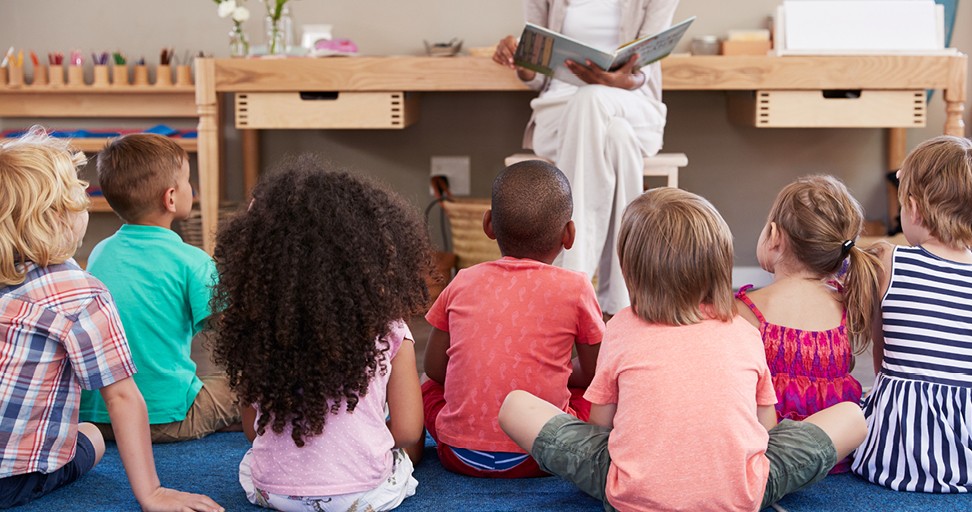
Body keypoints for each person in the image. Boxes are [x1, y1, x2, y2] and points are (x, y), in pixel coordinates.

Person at [499, 188, 868, 510]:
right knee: (852, 415)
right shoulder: (743, 330)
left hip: (630, 494)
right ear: (720, 268)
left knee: (515, 405)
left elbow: (601, 426)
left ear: (630, 272)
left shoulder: (622, 326)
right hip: (744, 494)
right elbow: (766, 430)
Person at [0, 129, 223, 510]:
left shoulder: (100, 254)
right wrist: (151, 493)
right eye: (80, 201)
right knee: (93, 439)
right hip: (12, 481)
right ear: (58, 217)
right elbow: (121, 396)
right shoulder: (80, 292)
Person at [211, 159, 427, 511]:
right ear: (366, 255)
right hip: (364, 496)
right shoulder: (389, 329)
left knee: (253, 460)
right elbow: (407, 432)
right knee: (403, 458)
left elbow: (253, 431)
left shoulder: (255, 329)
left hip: (273, 494)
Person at [852, 136, 972, 492]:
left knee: (863, 399)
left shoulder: (890, 262)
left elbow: (884, 361)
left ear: (913, 209)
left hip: (898, 454)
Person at [493, 0, 679, 317]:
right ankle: (623, 301)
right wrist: (519, 59)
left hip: (632, 104)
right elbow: (536, 75)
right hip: (559, 112)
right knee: (616, 136)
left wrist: (614, 81)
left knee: (592, 99)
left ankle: (569, 283)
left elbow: (643, 68)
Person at [422, 160, 604, 478]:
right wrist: (556, 376)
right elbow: (596, 374)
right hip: (541, 454)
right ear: (569, 234)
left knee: (426, 389)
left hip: (458, 454)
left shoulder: (462, 280)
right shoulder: (576, 287)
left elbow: (435, 370)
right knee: (594, 398)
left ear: (488, 224)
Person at [78, 133, 239, 443]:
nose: (193, 189)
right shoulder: (193, 261)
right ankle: (212, 418)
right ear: (170, 198)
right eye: (188, 182)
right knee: (241, 383)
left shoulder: (98, 252)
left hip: (102, 416)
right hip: (166, 419)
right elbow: (235, 331)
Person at [735, 175, 882, 473]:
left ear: (774, 235)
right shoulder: (847, 303)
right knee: (855, 416)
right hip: (831, 446)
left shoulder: (745, 309)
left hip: (767, 445)